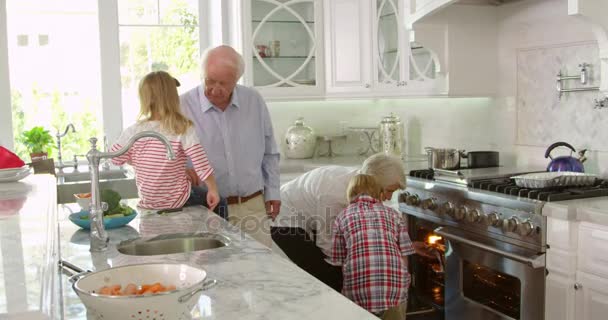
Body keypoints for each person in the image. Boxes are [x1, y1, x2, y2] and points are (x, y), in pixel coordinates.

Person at [180, 45, 280, 247]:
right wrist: (180, 170)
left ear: (236, 80)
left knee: (262, 273)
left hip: (251, 207)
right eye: (209, 80)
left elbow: (270, 152)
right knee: (213, 273)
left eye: (223, 83)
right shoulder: (181, 106)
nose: (215, 89)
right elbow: (161, 154)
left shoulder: (254, 101)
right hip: (205, 210)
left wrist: (273, 191)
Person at [271, 153, 406, 291]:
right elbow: (329, 248)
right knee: (326, 279)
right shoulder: (335, 195)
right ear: (374, 182)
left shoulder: (359, 185)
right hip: (283, 221)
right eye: (388, 191)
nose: (389, 198)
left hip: (309, 219)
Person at [111, 71, 220, 211]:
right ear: (173, 97)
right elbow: (201, 163)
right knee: (220, 203)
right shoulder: (182, 127)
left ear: (144, 98)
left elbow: (115, 159)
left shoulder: (134, 131)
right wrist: (213, 189)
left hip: (149, 205)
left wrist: (137, 159)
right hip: (181, 200)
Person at [329, 174, 414, 320]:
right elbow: (405, 253)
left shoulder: (342, 216)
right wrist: (406, 281)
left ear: (350, 194)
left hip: (358, 293)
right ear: (379, 193)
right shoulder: (393, 214)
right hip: (394, 289)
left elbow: (338, 260)